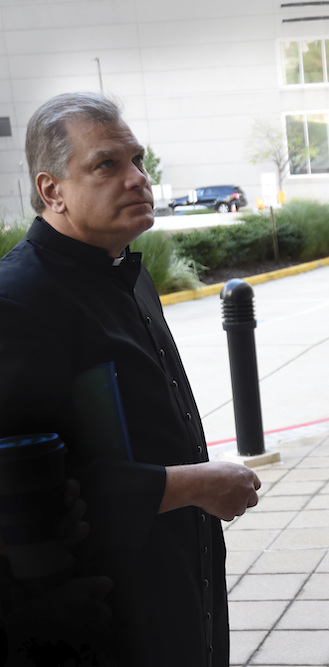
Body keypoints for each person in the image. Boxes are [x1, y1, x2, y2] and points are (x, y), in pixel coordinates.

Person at [0, 92, 262, 666]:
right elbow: (29, 494)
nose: (137, 179)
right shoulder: (19, 301)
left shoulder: (129, 275)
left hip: (179, 577)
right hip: (99, 611)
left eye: (138, 161)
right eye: (106, 165)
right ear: (52, 191)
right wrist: (192, 485)